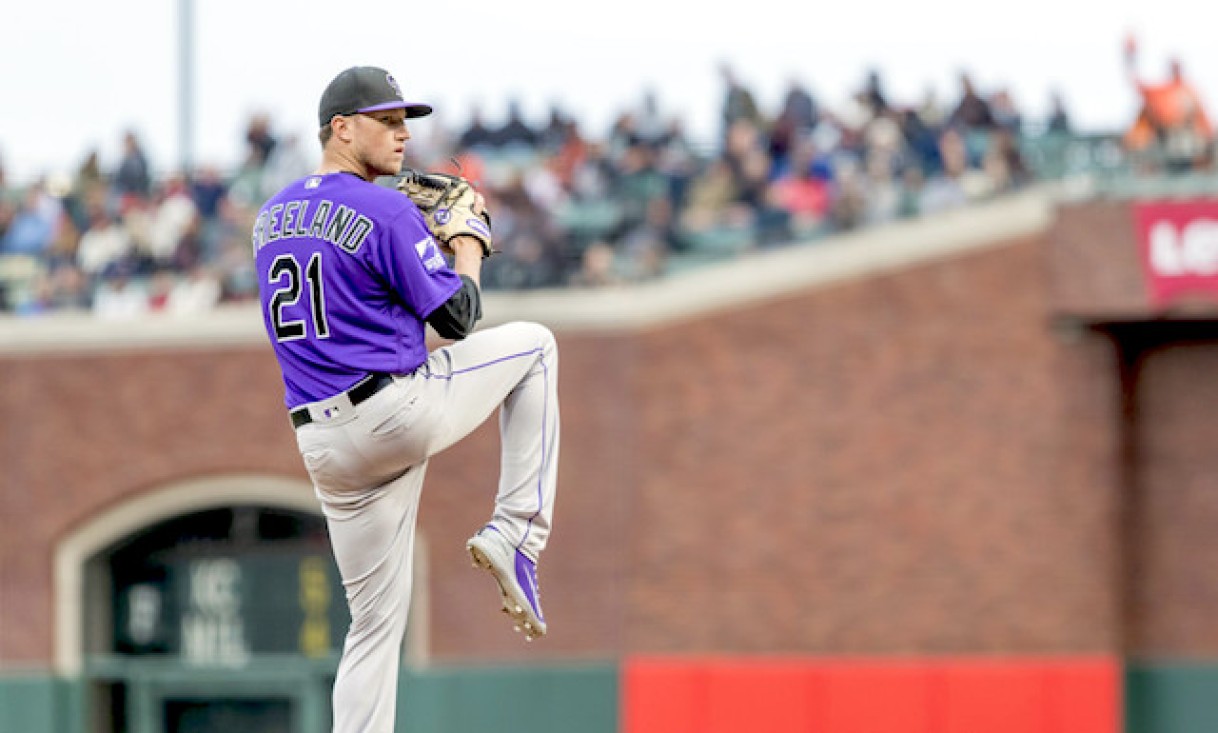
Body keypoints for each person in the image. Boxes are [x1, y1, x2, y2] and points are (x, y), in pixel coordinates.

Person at [252, 66, 561, 733]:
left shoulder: (270, 216)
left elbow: (356, 300)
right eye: (385, 121)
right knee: (535, 346)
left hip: (322, 441)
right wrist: (466, 242)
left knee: (371, 627)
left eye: (404, 122)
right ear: (341, 127)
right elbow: (457, 318)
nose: (401, 135)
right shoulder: (385, 208)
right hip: (390, 412)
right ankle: (516, 531)